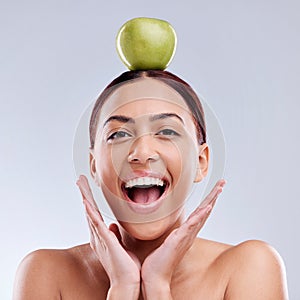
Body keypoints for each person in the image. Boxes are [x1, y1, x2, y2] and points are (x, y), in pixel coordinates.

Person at [13, 70, 289, 299]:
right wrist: (123, 288)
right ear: (94, 165)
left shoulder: (250, 267)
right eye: (119, 134)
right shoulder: (46, 273)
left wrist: (157, 286)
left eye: (167, 131)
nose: (142, 152)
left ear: (202, 161)